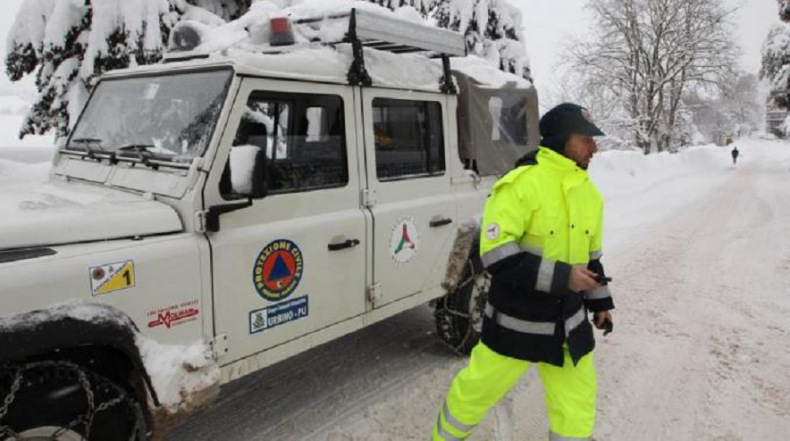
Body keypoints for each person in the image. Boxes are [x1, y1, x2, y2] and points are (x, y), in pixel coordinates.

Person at [432, 103, 615, 441]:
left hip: (568, 324)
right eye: (586, 139)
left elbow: (591, 261)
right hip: (515, 325)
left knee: (577, 405)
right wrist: (563, 277)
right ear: (562, 139)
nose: (595, 148)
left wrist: (600, 302)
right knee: (474, 393)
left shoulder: (589, 193)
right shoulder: (520, 184)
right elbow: (496, 255)